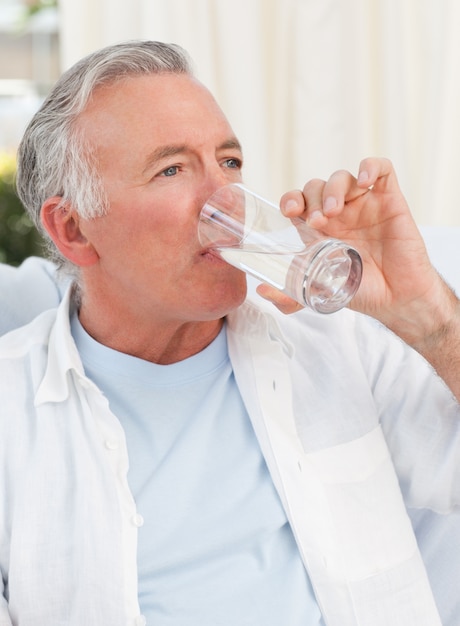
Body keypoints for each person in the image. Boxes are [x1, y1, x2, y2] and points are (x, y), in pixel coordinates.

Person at [0, 40, 459, 626]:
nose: (229, 203)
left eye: (230, 162)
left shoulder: (339, 341)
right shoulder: (11, 414)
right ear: (73, 231)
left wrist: (429, 313)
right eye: (171, 169)